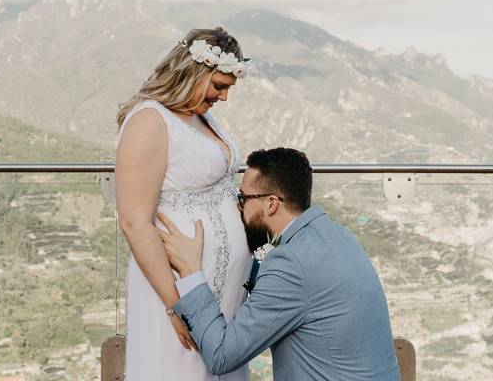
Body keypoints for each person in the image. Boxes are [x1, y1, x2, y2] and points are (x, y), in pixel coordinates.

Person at [157, 147, 401, 380]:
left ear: (271, 203)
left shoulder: (291, 263)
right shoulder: (338, 236)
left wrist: (191, 271)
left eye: (242, 198)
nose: (237, 207)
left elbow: (221, 355)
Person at [115, 27, 254, 381]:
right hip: (177, 288)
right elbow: (134, 221)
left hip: (217, 297)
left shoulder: (199, 115)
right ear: (194, 72)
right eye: (219, 86)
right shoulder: (149, 121)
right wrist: (176, 306)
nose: (223, 98)